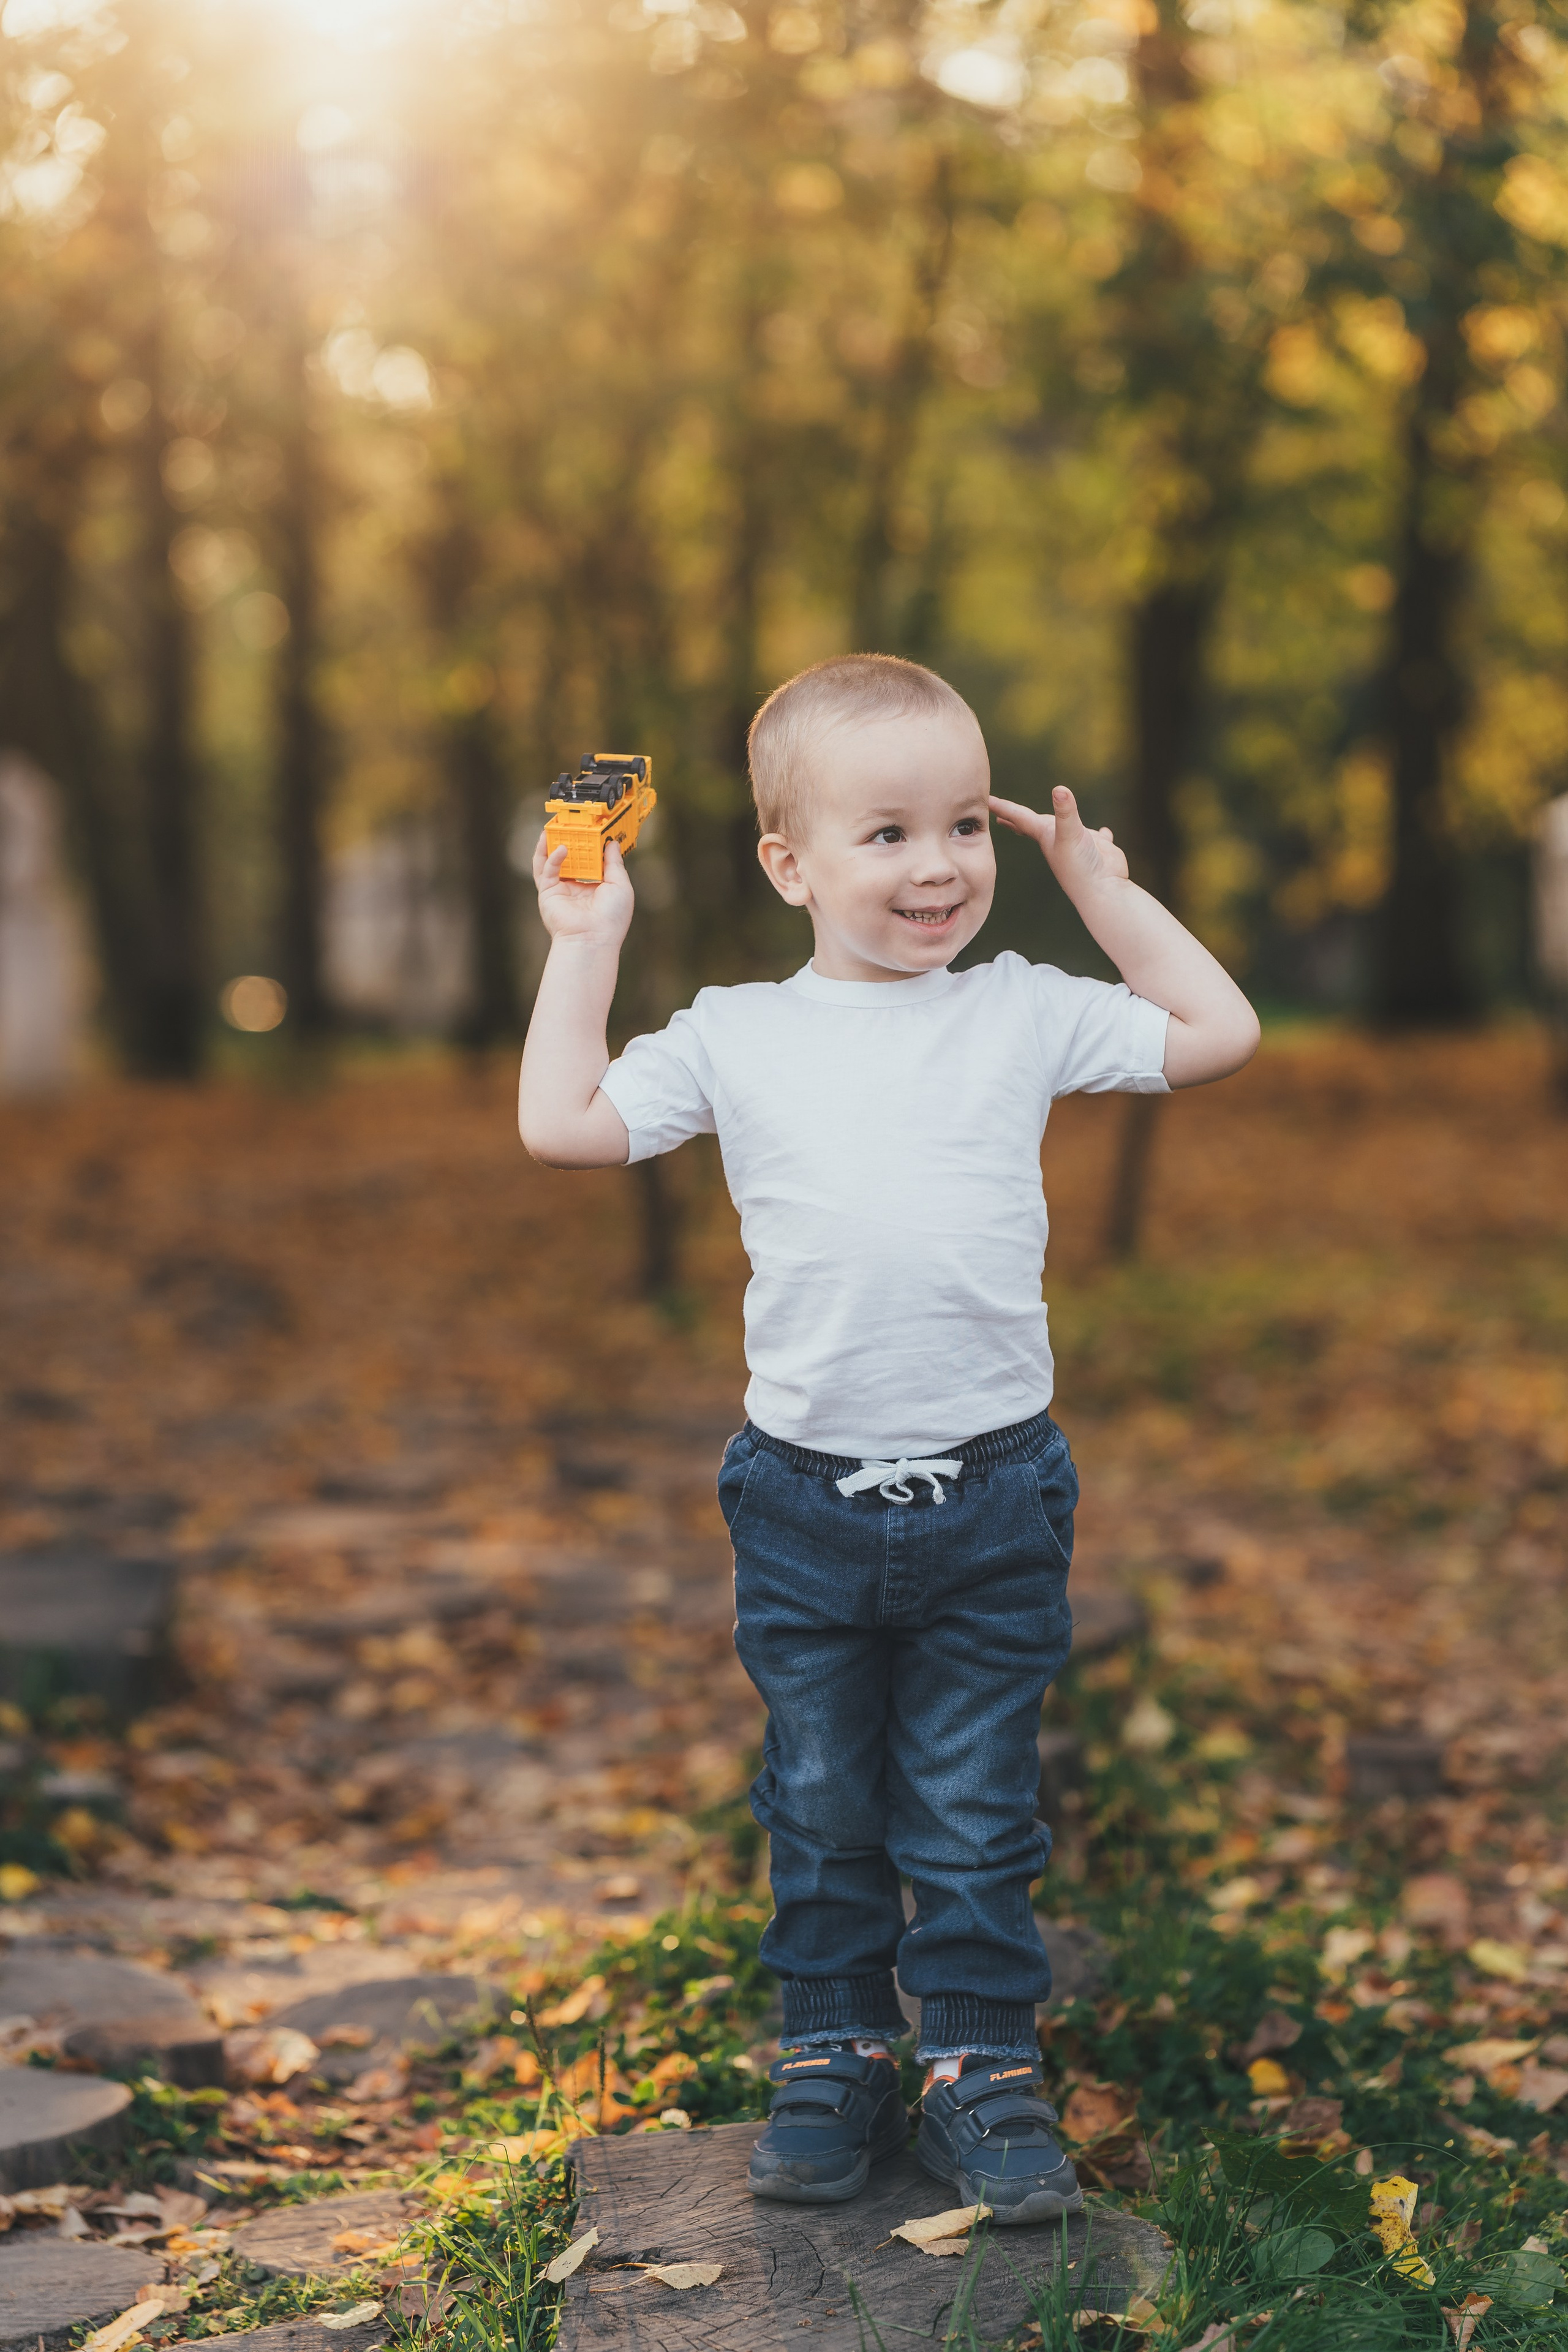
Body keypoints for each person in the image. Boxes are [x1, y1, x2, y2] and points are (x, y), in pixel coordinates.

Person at [518, 654, 1259, 2221]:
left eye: (962, 830)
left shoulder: (1024, 1011)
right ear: (788, 863)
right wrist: (585, 946)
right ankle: (835, 2048)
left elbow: (1217, 1030)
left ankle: (982, 2066)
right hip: (799, 1502)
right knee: (820, 1794)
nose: (938, 866)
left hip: (995, 1494)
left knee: (978, 1801)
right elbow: (562, 1126)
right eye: (886, 834)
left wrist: (1097, 886)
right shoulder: (733, 1033)